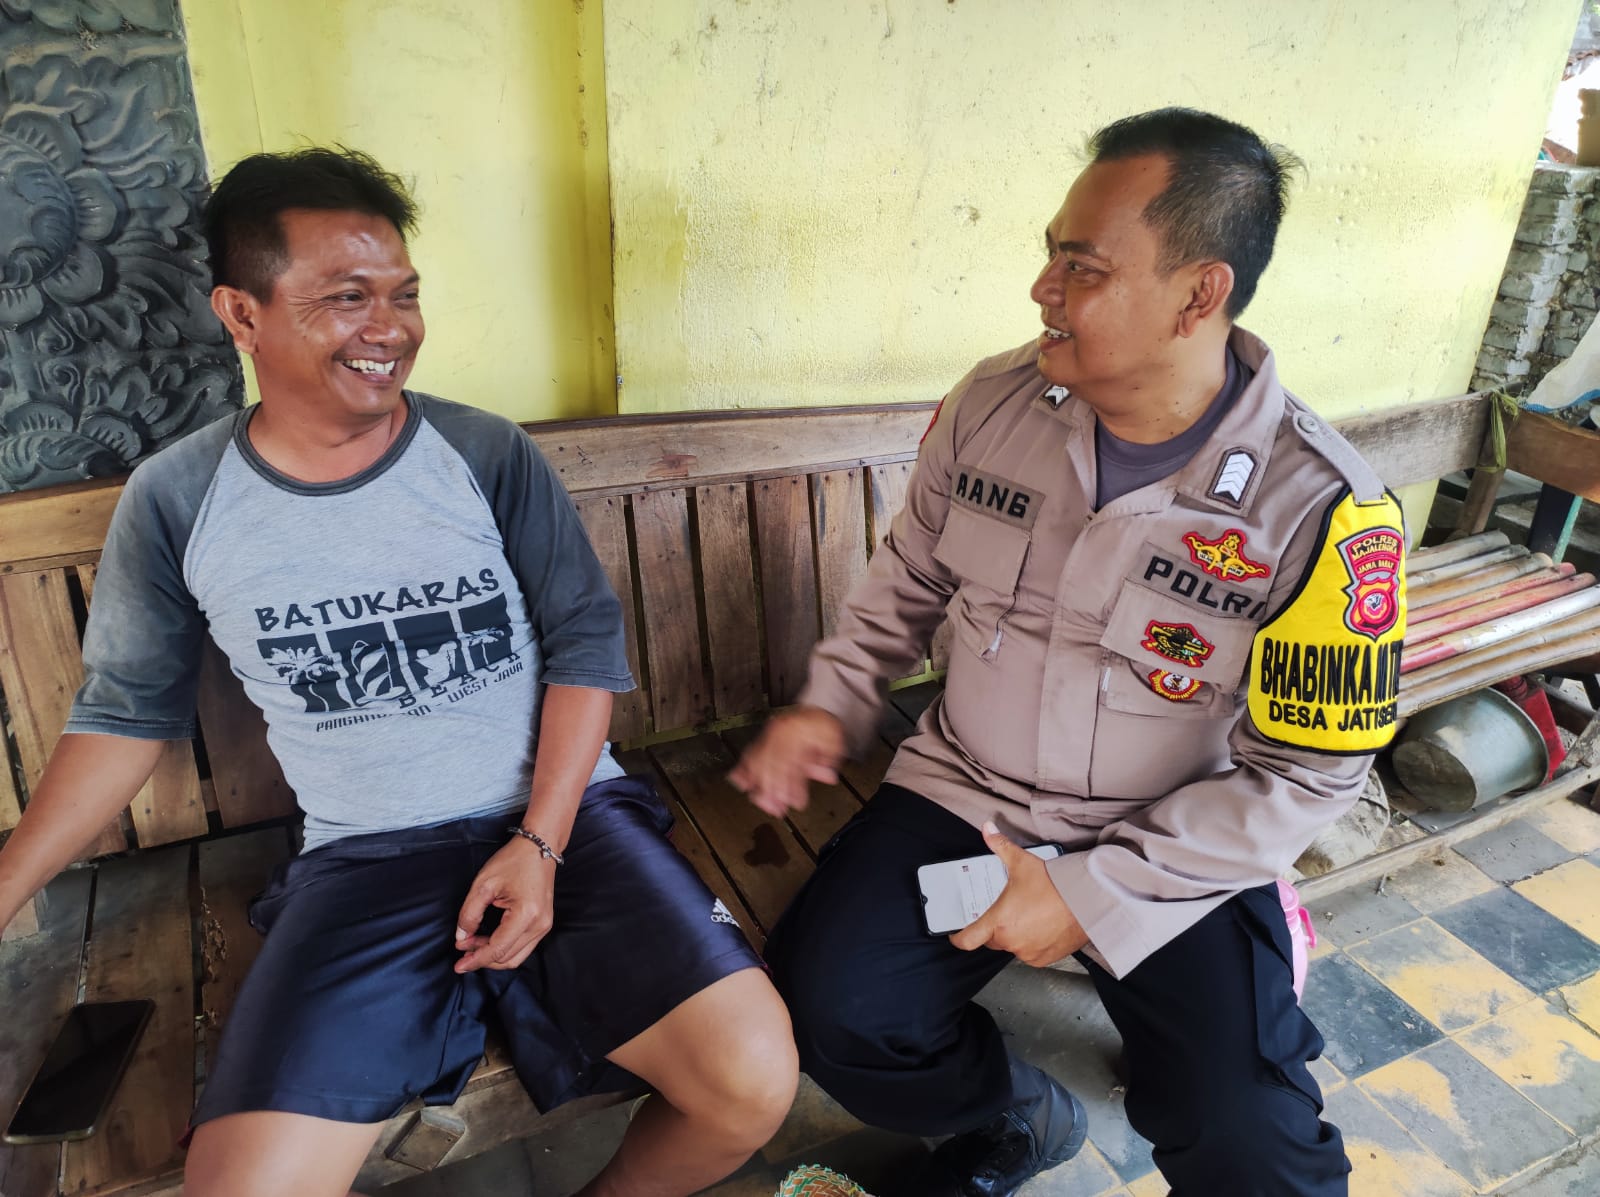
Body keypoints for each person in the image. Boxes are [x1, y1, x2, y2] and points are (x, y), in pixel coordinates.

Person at [0, 147, 797, 1197]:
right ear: (241, 314)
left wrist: (540, 843)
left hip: (568, 820)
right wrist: (7, 886)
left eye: (403, 295)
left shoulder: (481, 452)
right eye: (346, 297)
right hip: (366, 857)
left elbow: (584, 650)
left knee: (751, 1081)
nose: (389, 328)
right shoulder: (179, 499)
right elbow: (123, 717)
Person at [730, 108, 1407, 1197]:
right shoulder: (993, 406)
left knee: (1246, 1136)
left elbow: (1310, 774)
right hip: (968, 794)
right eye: (1052, 254)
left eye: (1082, 267)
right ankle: (1012, 1112)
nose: (1043, 288)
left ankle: (1246, 944)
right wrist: (833, 697)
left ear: (1199, 294)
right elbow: (911, 577)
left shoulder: (1321, 510)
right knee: (833, 1008)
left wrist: (1090, 895)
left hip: (1171, 839)